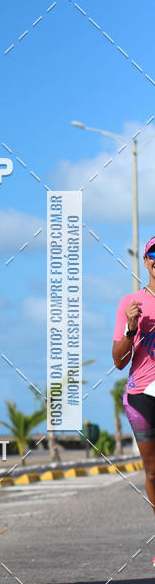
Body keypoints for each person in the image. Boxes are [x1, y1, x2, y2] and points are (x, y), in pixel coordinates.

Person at [113, 236, 155, 562]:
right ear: (145, 260)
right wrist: (131, 327)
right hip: (143, 395)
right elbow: (118, 361)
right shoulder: (132, 303)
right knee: (153, 473)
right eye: (153, 254)